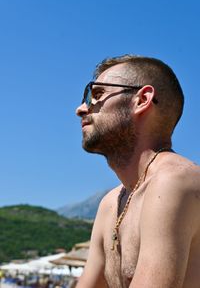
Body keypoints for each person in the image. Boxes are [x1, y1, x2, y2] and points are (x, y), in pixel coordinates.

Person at [75, 55, 200, 288]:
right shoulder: (111, 203)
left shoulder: (175, 182)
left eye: (97, 95)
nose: (81, 108)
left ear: (142, 100)